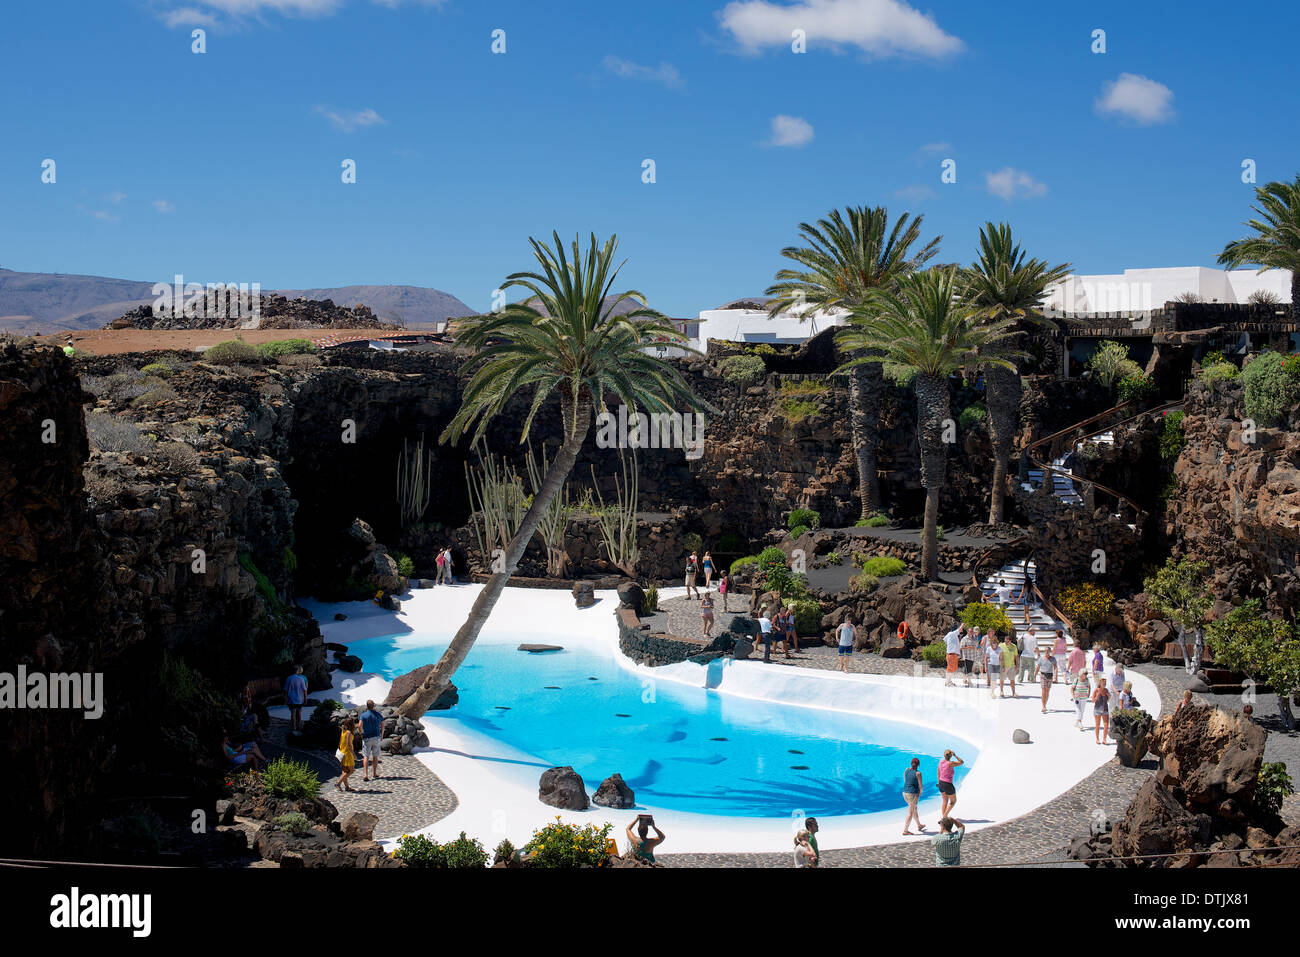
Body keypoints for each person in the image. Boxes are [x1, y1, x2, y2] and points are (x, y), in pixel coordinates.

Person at [359, 699, 384, 782]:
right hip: (376, 737)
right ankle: (374, 773)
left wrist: (361, 733)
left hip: (367, 737)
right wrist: (382, 735)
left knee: (366, 756)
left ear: (367, 706)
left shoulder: (363, 715)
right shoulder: (378, 715)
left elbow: (359, 725)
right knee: (375, 756)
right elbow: (383, 726)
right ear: (373, 706)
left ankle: (365, 774)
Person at [902, 757, 925, 835]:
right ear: (918, 765)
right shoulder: (918, 773)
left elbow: (905, 780)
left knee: (914, 808)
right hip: (912, 794)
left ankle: (919, 825)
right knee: (910, 812)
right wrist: (920, 793)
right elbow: (921, 786)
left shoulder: (906, 769)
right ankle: (905, 830)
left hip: (905, 792)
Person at [937, 749, 963, 817]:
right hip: (947, 784)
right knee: (953, 801)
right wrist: (955, 755)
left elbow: (938, 774)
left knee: (945, 801)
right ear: (950, 756)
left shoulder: (941, 762)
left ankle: (944, 819)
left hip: (941, 784)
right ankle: (944, 817)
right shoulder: (950, 763)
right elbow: (961, 762)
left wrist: (939, 783)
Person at [337, 716, 358, 791]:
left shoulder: (343, 731)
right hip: (347, 753)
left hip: (342, 752)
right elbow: (349, 745)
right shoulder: (349, 732)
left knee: (345, 770)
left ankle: (347, 787)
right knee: (351, 770)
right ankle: (338, 783)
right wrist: (354, 754)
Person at [285, 664, 308, 732]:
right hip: (299, 699)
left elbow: (285, 690)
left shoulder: (289, 678)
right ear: (298, 671)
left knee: (293, 713)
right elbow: (305, 690)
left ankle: (294, 727)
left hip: (291, 699)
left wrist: (285, 699)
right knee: (299, 712)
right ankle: (299, 726)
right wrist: (305, 699)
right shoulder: (301, 679)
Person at [942, 622, 964, 686]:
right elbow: (960, 629)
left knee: (953, 668)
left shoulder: (951, 635)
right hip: (951, 654)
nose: (961, 631)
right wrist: (963, 624)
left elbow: (944, 640)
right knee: (950, 668)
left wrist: (950, 645)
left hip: (953, 654)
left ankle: (949, 681)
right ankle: (947, 682)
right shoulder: (952, 634)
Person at [1035, 646, 1057, 712]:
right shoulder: (1041, 659)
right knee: (1043, 691)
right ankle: (1043, 706)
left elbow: (1055, 667)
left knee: (1047, 691)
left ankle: (1045, 704)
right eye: (1045, 651)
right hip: (1043, 675)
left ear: (1050, 652)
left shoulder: (1053, 659)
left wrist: (1056, 676)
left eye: (1048, 651)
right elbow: (1038, 667)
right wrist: (1034, 676)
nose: (1046, 652)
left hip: (1050, 675)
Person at [1092, 677, 1111, 745]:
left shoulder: (1106, 690)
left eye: (1105, 683)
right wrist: (1097, 696)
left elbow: (1108, 700)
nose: (1104, 685)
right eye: (1103, 683)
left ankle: (1104, 739)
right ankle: (1097, 739)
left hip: (1105, 709)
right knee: (1098, 725)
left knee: (1106, 725)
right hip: (1097, 709)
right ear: (1100, 684)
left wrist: (1109, 697)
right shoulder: (1096, 690)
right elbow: (1093, 700)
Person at [998, 634, 1018, 698]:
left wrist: (1017, 665)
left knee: (1012, 680)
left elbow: (1016, 656)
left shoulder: (1014, 646)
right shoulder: (1001, 646)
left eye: (1007, 641)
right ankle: (1001, 691)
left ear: (1010, 641)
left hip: (1011, 665)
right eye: (1005, 641)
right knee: (1002, 679)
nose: (1006, 642)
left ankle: (1013, 692)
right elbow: (999, 656)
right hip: (1003, 666)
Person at [984, 631, 1001, 697]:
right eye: (993, 643)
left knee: (995, 679)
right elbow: (986, 658)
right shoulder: (989, 649)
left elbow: (1001, 658)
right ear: (991, 643)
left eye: (995, 643)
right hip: (990, 665)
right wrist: (985, 667)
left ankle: (992, 691)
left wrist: (1003, 666)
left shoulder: (999, 649)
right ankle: (992, 693)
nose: (994, 644)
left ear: (997, 643)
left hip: (997, 665)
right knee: (993, 679)